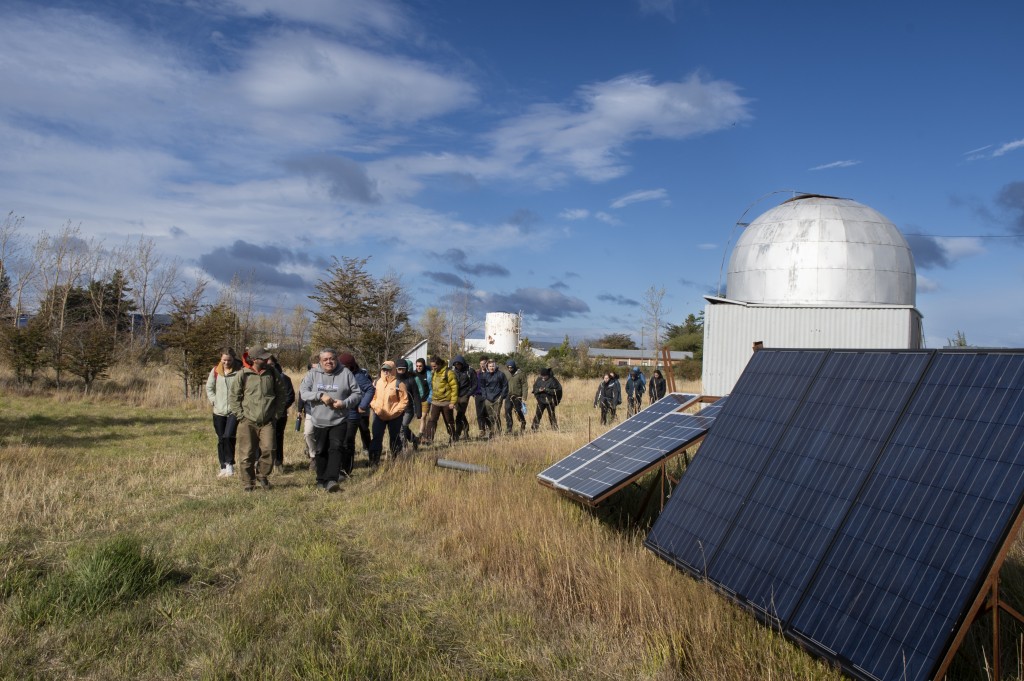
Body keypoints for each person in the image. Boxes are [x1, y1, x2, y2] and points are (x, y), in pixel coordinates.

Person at [299, 348, 362, 492]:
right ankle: (321, 479)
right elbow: (304, 393)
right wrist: (320, 395)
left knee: (336, 448)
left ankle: (331, 480)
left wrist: (344, 403)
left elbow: (357, 393)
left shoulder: (345, 373)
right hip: (319, 420)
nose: (329, 362)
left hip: (339, 419)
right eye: (325, 359)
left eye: (332, 358)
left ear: (336, 359)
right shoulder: (312, 374)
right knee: (321, 451)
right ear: (320, 362)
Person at [229, 348, 286, 491]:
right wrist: (241, 416)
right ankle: (248, 481)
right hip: (247, 421)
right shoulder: (243, 374)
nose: (267, 360)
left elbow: (282, 394)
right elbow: (234, 397)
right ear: (254, 359)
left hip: (268, 421)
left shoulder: (273, 373)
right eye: (263, 358)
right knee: (246, 453)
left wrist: (276, 414)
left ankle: (262, 475)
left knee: (270, 450)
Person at [206, 347, 241, 477]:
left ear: (233, 358)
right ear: (220, 359)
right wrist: (214, 400)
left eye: (229, 360)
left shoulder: (239, 371)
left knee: (228, 436)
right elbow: (209, 387)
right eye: (224, 360)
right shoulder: (215, 371)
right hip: (218, 411)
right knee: (221, 438)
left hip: (234, 410)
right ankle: (223, 466)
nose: (226, 363)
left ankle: (230, 463)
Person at [368, 361, 410, 465]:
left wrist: (395, 412)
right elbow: (373, 397)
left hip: (394, 416)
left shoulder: (399, 384)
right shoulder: (378, 382)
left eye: (388, 369)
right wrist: (375, 407)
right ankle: (373, 461)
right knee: (376, 437)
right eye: (384, 369)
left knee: (394, 438)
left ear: (393, 370)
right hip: (379, 415)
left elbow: (404, 401)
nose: (386, 372)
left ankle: (396, 460)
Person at [339, 352, 374, 469]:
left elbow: (370, 389)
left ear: (351, 366)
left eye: (345, 366)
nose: (343, 368)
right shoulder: (337, 374)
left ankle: (347, 468)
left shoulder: (358, 376)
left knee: (350, 440)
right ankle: (340, 465)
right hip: (339, 413)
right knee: (340, 440)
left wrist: (363, 405)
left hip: (353, 413)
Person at [267, 355, 295, 472]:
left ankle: (278, 462)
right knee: (265, 439)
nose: (269, 366)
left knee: (278, 437)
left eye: (271, 364)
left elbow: (290, 396)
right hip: (265, 414)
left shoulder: (284, 378)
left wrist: (279, 409)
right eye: (266, 364)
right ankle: (264, 463)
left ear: (275, 364)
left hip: (280, 414)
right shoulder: (260, 377)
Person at [423, 355, 458, 445]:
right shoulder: (434, 372)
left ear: (439, 364)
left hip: (446, 402)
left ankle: (453, 437)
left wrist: (453, 402)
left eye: (434, 366)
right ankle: (428, 439)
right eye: (432, 366)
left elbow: (454, 388)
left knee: (449, 421)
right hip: (436, 401)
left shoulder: (449, 373)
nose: (433, 368)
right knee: (432, 420)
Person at [296, 353, 320, 471]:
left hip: (324, 412)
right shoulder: (305, 379)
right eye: (312, 368)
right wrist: (299, 410)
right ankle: (313, 456)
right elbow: (301, 396)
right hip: (310, 411)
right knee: (308, 433)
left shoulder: (327, 378)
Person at [395, 359, 422, 452]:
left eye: (403, 369)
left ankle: (404, 448)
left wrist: (419, 411)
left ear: (406, 369)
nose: (401, 371)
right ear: (396, 369)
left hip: (408, 410)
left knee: (401, 428)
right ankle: (414, 439)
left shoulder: (411, 380)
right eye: (399, 369)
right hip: (397, 409)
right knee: (403, 427)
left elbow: (416, 396)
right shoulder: (394, 380)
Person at [478, 358, 509, 437]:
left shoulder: (500, 374)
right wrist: (485, 396)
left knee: (496, 415)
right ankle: (492, 431)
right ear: (487, 367)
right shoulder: (484, 376)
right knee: (490, 416)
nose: (491, 367)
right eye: (490, 366)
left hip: (497, 398)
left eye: (493, 366)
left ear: (495, 366)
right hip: (488, 399)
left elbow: (505, 385)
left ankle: (499, 430)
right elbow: (483, 387)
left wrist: (502, 396)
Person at [450, 355, 477, 442]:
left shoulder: (470, 371)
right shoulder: (452, 371)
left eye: (459, 364)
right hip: (455, 395)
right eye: (456, 364)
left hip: (465, 395)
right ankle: (466, 430)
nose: (458, 366)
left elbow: (475, 384)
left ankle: (457, 434)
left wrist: (469, 393)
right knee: (460, 414)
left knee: (459, 415)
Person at [504, 359, 528, 434]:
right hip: (508, 395)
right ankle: (509, 428)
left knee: (518, 410)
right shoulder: (506, 373)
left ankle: (523, 422)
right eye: (508, 367)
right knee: (507, 410)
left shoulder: (520, 373)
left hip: (518, 396)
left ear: (514, 367)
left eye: (511, 367)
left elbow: (524, 385)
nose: (510, 369)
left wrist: (524, 396)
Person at [413, 358, 431, 437]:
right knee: (415, 418)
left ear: (424, 365)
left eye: (420, 366)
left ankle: (420, 435)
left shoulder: (428, 374)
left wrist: (429, 399)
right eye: (417, 366)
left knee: (423, 418)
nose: (418, 367)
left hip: (425, 400)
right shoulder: (413, 374)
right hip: (416, 400)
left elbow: (431, 388)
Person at [474, 357, 491, 438]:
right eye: (481, 364)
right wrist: (473, 393)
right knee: (479, 413)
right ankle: (481, 430)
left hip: (488, 395)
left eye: (483, 363)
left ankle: (490, 429)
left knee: (487, 412)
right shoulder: (477, 373)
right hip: (478, 395)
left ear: (487, 363)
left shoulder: (491, 372)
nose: (482, 365)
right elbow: (473, 383)